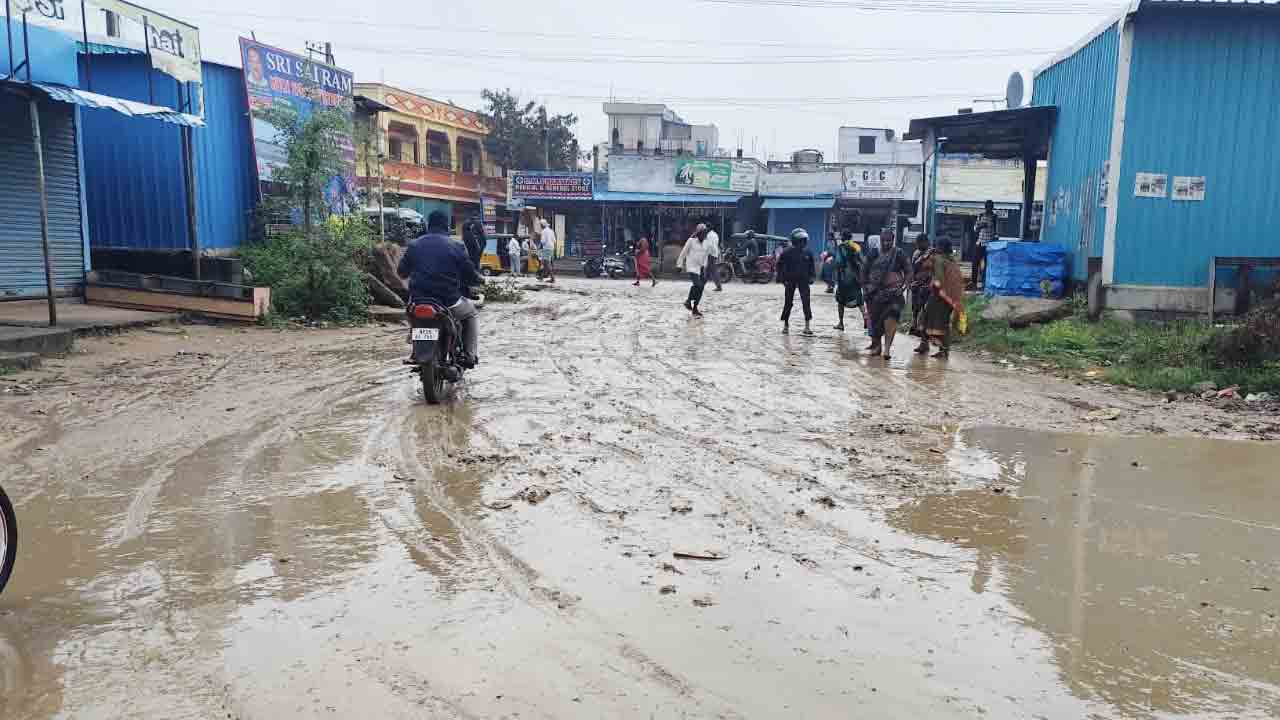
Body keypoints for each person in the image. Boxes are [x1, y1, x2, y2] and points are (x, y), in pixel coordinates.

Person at [397, 211, 483, 367]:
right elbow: (470, 274)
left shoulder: (414, 245)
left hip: (418, 301)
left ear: (429, 225)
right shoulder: (456, 246)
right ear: (447, 226)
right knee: (471, 314)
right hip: (448, 302)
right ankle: (470, 355)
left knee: (414, 318)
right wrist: (479, 279)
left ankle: (415, 350)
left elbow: (401, 272)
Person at [863, 226, 912, 359]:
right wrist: (866, 287)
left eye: (889, 241)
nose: (886, 243)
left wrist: (903, 287)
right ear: (880, 239)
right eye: (884, 240)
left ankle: (887, 349)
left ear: (893, 240)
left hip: (894, 293)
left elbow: (908, 271)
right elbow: (864, 271)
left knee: (892, 316)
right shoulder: (873, 253)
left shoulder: (899, 254)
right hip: (875, 294)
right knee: (875, 320)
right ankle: (877, 346)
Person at [916, 239, 965, 358]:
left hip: (940, 295)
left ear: (939, 248)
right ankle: (941, 349)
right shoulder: (951, 261)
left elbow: (937, 278)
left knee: (929, 321)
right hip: (951, 298)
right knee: (943, 322)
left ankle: (941, 349)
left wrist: (936, 288)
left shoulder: (938, 259)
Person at [777, 228, 816, 336]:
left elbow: (812, 267)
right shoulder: (787, 252)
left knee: (806, 302)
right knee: (788, 302)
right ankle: (785, 325)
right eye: (800, 241)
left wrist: (812, 277)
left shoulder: (808, 252)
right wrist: (782, 279)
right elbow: (779, 265)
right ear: (795, 241)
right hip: (790, 280)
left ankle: (807, 326)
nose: (802, 243)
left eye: (804, 241)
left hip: (804, 281)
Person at [833, 230, 864, 332]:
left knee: (840, 301)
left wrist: (836, 276)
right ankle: (866, 319)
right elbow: (862, 261)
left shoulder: (840, 247)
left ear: (842, 237)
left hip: (844, 278)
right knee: (859, 300)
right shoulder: (856, 246)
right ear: (851, 237)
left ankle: (841, 323)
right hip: (855, 278)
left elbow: (838, 262)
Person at [676, 227, 710, 317]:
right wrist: (679, 265)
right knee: (698, 285)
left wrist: (704, 267)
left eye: (705, 234)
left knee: (701, 287)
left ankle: (695, 308)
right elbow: (683, 252)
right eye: (701, 234)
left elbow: (706, 255)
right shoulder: (691, 241)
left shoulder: (706, 243)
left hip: (700, 268)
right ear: (698, 234)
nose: (703, 236)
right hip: (691, 267)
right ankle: (688, 300)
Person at [909, 233, 936, 337]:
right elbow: (913, 268)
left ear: (925, 242)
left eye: (919, 243)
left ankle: (923, 328)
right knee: (915, 306)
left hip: (928, 283)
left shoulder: (933, 253)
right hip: (917, 282)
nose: (917, 246)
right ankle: (914, 324)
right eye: (917, 244)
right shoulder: (917, 253)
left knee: (925, 306)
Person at [971, 200, 997, 289]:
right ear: (985, 207)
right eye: (987, 207)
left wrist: (995, 238)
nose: (989, 208)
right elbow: (975, 229)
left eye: (990, 207)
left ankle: (984, 284)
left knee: (987, 265)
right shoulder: (980, 216)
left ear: (992, 208)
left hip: (989, 244)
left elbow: (996, 231)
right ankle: (974, 283)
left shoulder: (994, 217)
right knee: (975, 263)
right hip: (980, 242)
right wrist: (980, 226)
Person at [702, 222, 723, 292]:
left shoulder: (710, 235)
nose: (705, 229)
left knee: (713, 270)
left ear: (708, 228)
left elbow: (710, 246)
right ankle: (701, 285)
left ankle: (719, 286)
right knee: (708, 271)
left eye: (706, 228)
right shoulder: (714, 234)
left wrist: (706, 252)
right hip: (714, 253)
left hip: (711, 254)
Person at [539, 219, 557, 283]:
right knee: (545, 263)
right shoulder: (551, 231)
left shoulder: (543, 231)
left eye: (540, 225)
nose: (540, 226)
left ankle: (552, 278)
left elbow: (543, 241)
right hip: (551, 248)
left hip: (546, 248)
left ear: (542, 225)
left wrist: (540, 246)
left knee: (546, 263)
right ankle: (542, 276)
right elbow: (554, 240)